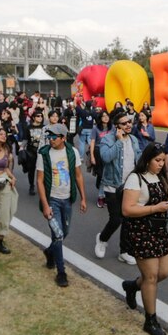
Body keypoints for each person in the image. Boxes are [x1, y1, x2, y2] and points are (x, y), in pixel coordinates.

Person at [120, 142, 168, 335]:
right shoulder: (136, 179)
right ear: (147, 159)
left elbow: (164, 199)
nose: (161, 164)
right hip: (141, 231)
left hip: (159, 230)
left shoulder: (160, 177)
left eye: (163, 160)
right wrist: (155, 208)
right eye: (157, 160)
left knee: (164, 272)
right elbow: (127, 209)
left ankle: (133, 285)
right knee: (151, 277)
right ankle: (150, 320)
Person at [37, 123, 87, 287]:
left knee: (64, 233)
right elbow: (40, 181)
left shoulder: (72, 151)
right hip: (52, 200)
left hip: (67, 199)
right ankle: (61, 272)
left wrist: (83, 198)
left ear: (63, 138)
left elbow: (79, 176)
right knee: (57, 235)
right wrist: (45, 205)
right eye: (49, 137)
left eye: (54, 137)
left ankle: (50, 251)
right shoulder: (43, 154)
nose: (51, 140)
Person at [94, 112, 142, 264]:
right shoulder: (108, 139)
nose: (128, 125)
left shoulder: (134, 139)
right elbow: (106, 157)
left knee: (128, 219)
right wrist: (119, 141)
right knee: (116, 219)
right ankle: (102, 239)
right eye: (124, 123)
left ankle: (124, 251)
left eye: (129, 122)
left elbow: (138, 160)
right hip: (112, 185)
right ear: (117, 127)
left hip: (130, 186)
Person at [90, 111, 114, 208]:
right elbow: (92, 142)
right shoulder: (96, 129)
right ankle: (101, 197)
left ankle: (103, 196)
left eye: (107, 116)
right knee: (101, 175)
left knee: (107, 175)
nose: (105, 117)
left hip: (110, 153)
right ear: (100, 118)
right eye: (103, 116)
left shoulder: (112, 128)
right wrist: (92, 156)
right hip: (98, 153)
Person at [21, 111, 45, 196]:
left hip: (42, 151)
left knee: (43, 170)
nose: (40, 118)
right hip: (31, 151)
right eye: (38, 116)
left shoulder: (45, 127)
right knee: (31, 170)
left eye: (41, 116)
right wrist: (21, 148)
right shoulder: (28, 127)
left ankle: (43, 186)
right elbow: (25, 139)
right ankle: (31, 186)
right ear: (33, 118)